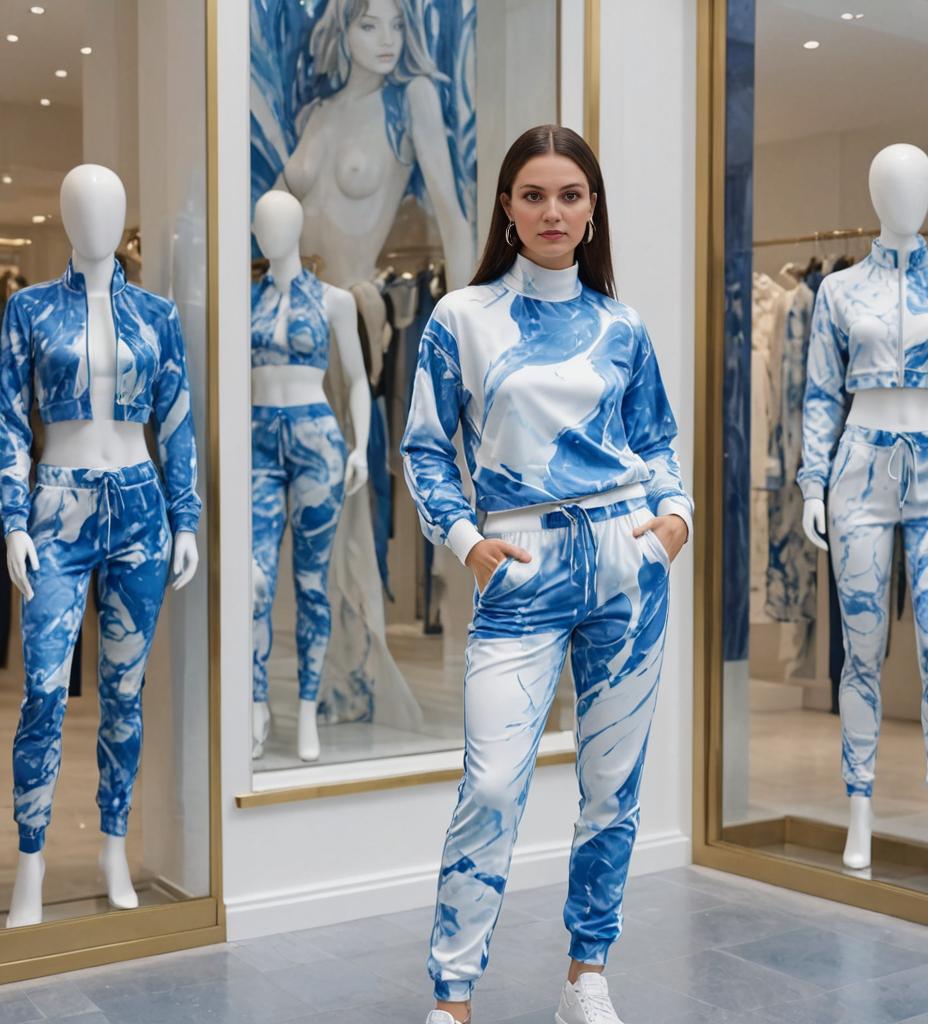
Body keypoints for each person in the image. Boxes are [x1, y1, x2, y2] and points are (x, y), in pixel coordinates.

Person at [401, 124, 693, 1024]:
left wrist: (672, 523)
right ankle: (453, 996)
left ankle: (586, 974)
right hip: (520, 567)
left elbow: (656, 443)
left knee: (612, 788)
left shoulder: (624, 326)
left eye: (570, 195)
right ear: (507, 207)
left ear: (593, 208)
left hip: (624, 561)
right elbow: (423, 449)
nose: (553, 211)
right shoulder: (463, 317)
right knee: (491, 783)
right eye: (534, 194)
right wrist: (465, 542)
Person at [277, 0, 474, 288]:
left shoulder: (412, 98)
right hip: (293, 302)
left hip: (353, 308)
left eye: (397, 25)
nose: (388, 40)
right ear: (343, 31)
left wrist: (458, 324)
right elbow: (265, 218)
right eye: (369, 25)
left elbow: (454, 223)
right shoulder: (318, 111)